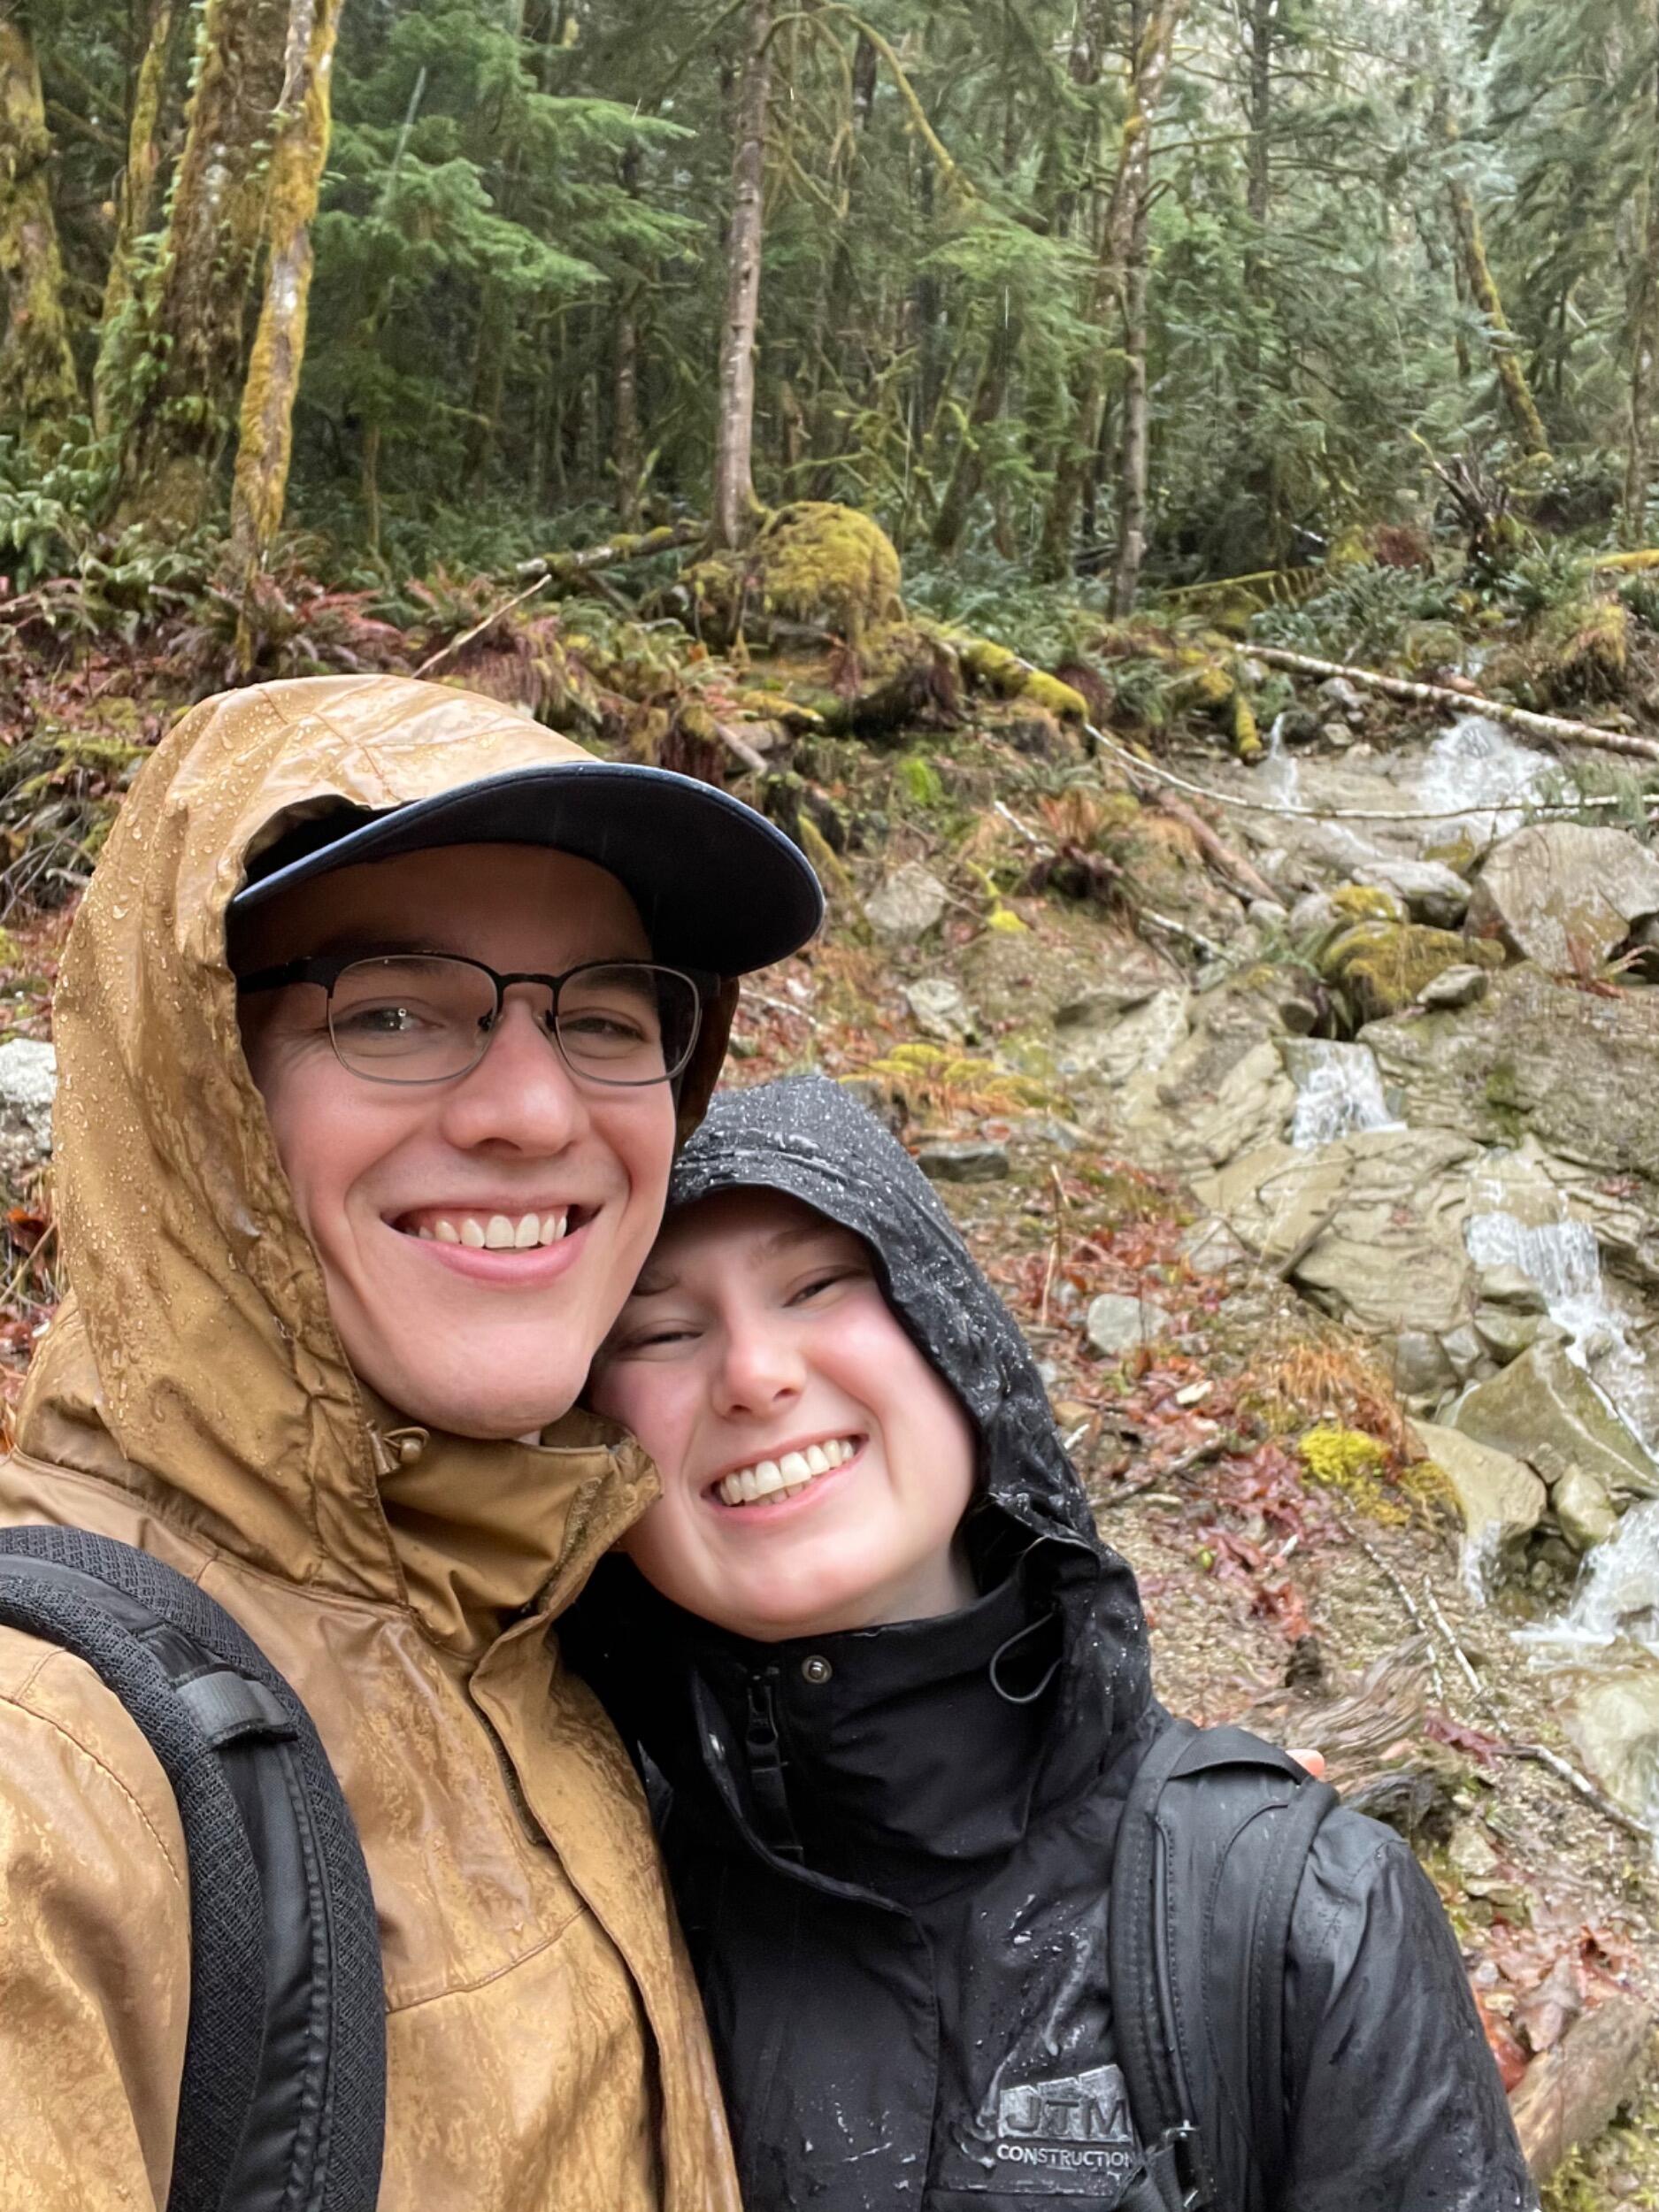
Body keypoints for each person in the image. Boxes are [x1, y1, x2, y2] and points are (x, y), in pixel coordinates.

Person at [0, 672, 822, 2211]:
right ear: (196, 1100)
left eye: (601, 1015)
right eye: (389, 1010)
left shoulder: (561, 1626)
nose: (529, 1106)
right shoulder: (52, 1782)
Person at [576, 1074, 1540, 2212]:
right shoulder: (575, 1878)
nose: (753, 1373)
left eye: (820, 1283)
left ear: (956, 1332)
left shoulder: (1294, 1922)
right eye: (661, 1330)